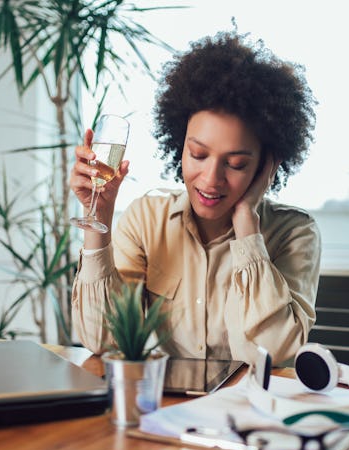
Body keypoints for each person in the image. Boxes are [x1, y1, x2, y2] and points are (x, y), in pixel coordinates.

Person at [69, 31, 320, 365]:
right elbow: (103, 340)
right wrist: (97, 220)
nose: (211, 180)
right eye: (198, 154)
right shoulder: (147, 219)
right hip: (170, 410)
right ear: (179, 146)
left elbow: (273, 356)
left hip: (253, 412)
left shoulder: (295, 234)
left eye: (236, 164)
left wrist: (248, 228)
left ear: (266, 165)